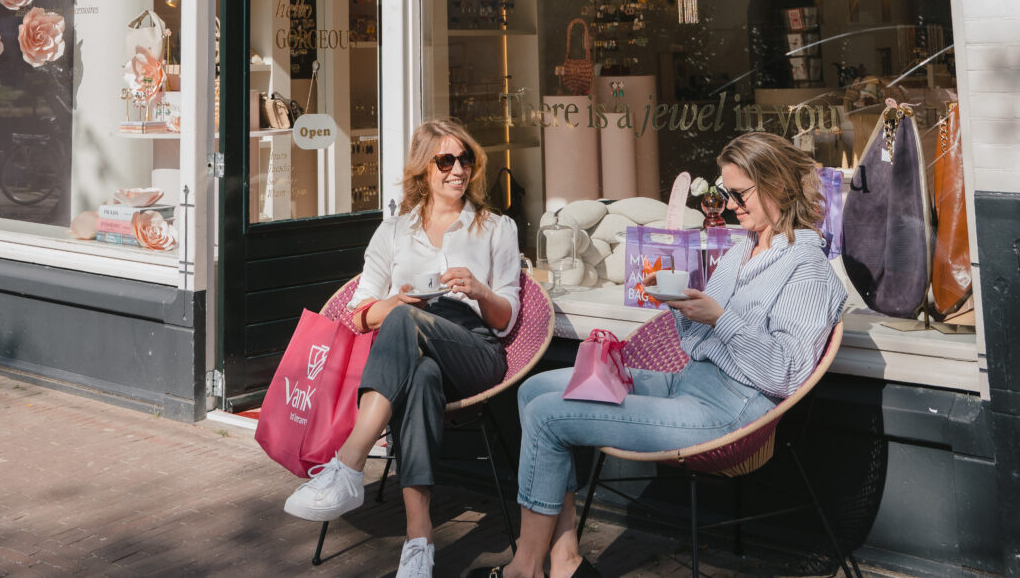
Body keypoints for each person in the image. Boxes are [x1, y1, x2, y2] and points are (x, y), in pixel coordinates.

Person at [470, 132, 847, 578]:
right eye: (726, 193)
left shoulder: (807, 270)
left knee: (551, 416)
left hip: (732, 411)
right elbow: (697, 339)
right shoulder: (742, 248)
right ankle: (565, 560)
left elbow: (786, 373)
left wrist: (717, 318)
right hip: (685, 380)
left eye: (740, 193)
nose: (730, 205)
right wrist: (681, 304)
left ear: (779, 185)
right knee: (534, 389)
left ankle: (524, 569)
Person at [283, 118, 522, 578]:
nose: (458, 169)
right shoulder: (394, 231)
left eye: (465, 159)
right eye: (446, 160)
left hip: (475, 350)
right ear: (423, 170)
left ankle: (349, 465)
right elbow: (355, 314)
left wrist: (479, 290)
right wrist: (394, 302)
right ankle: (419, 545)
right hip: (414, 354)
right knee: (420, 374)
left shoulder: (496, 227)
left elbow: (507, 318)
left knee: (405, 322)